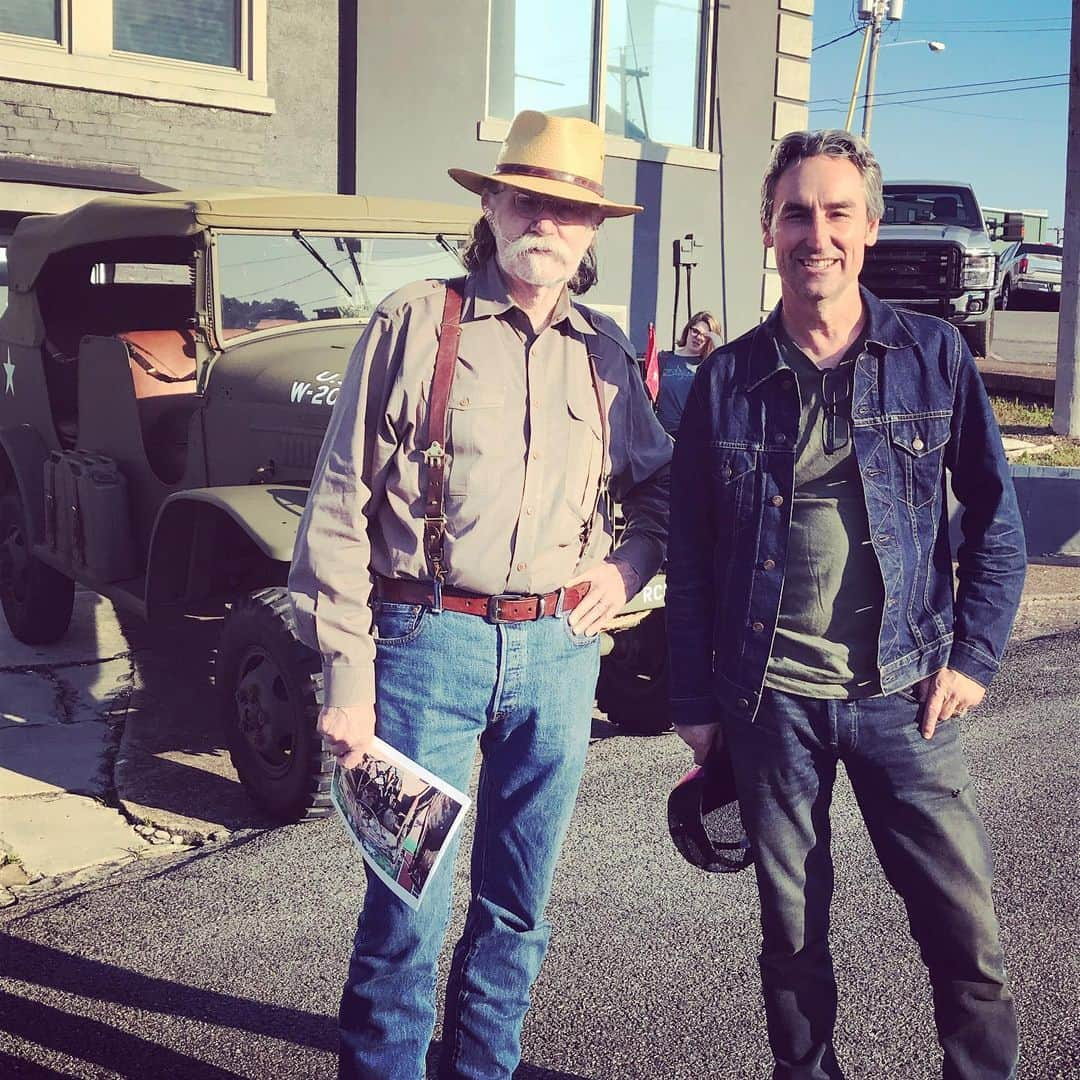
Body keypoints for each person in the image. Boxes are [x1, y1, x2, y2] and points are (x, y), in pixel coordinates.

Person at [288, 109, 671, 1079]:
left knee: (517, 910)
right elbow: (338, 506)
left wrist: (624, 573)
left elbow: (662, 489)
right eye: (526, 197)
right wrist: (347, 674)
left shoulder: (606, 351)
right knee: (405, 910)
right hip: (426, 649)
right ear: (492, 205)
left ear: (591, 232)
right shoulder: (415, 321)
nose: (546, 219)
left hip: (558, 655)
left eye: (569, 208)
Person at [666, 129, 1026, 1079]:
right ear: (766, 230)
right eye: (795, 213)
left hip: (907, 696)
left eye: (835, 213)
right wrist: (695, 705)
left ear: (868, 228)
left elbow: (996, 517)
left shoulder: (934, 356)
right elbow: (692, 553)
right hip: (770, 701)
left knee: (966, 939)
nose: (813, 234)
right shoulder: (725, 380)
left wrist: (975, 658)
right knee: (790, 942)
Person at [655, 311, 723, 436]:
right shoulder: (664, 358)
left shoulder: (709, 365)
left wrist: (716, 344)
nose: (699, 337)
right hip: (662, 434)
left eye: (705, 335)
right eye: (696, 331)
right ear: (688, 330)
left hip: (692, 435)